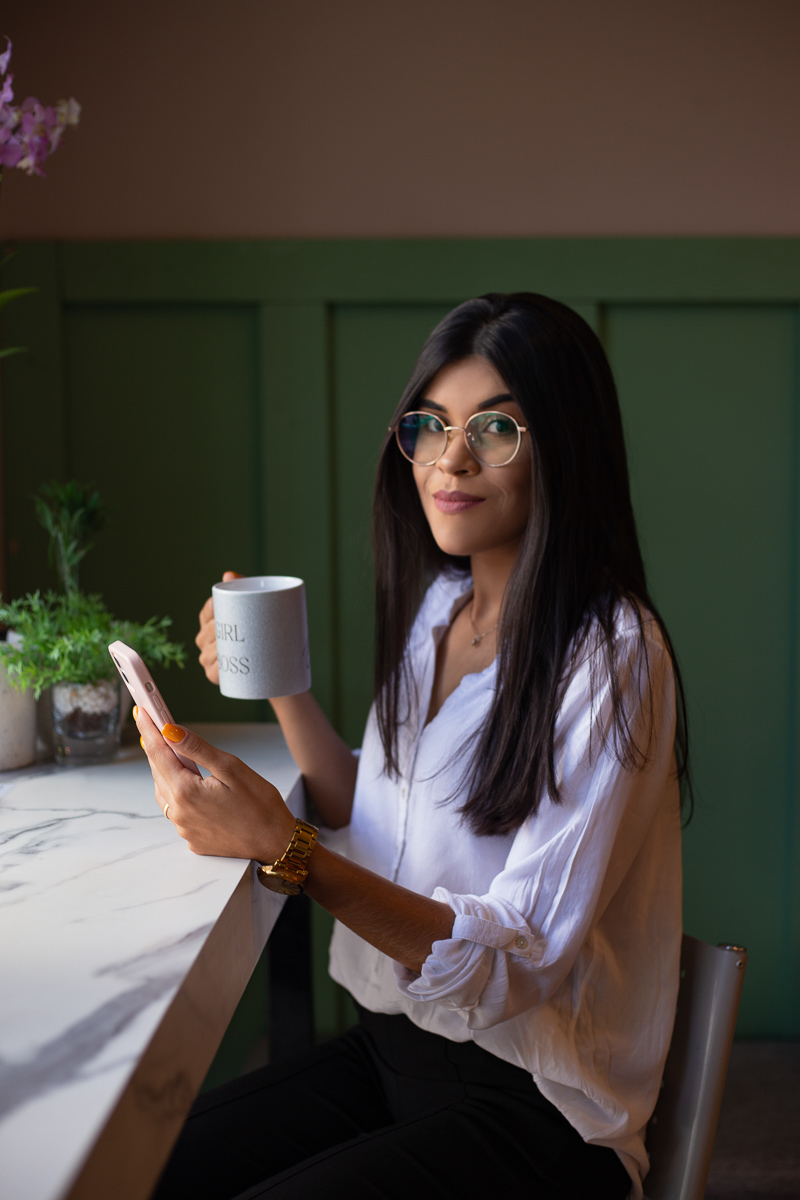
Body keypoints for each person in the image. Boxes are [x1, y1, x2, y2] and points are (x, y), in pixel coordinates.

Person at [140, 293, 688, 1200]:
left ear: (568, 448)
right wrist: (280, 683)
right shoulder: (442, 608)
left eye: (498, 430)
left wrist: (286, 848)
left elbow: (516, 963)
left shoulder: (613, 653)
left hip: (536, 1111)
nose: (450, 460)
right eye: (430, 426)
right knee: (148, 1169)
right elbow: (381, 819)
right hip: (396, 1047)